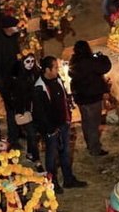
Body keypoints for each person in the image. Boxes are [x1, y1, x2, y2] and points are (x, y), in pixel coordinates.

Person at [32, 55, 86, 192]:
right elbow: (40, 113)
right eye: (55, 67)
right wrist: (50, 129)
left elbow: (63, 97)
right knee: (51, 155)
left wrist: (67, 115)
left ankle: (68, 178)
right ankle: (53, 182)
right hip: (51, 128)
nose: (58, 70)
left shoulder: (57, 80)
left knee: (66, 152)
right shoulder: (39, 87)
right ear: (47, 70)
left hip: (63, 123)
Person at [68, 40, 111, 158]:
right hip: (92, 98)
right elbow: (105, 66)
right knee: (93, 124)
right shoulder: (90, 62)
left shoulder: (74, 62)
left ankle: (90, 145)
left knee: (86, 122)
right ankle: (95, 149)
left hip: (81, 98)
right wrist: (102, 56)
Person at [0, 16, 21, 150]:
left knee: (19, 107)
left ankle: (20, 131)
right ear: (7, 28)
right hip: (5, 80)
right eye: (14, 26)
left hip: (15, 77)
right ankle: (13, 138)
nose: (17, 28)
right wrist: (1, 83)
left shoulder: (14, 38)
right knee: (11, 109)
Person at [10, 52, 41, 167]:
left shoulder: (36, 74)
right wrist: (19, 112)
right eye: (28, 61)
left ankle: (30, 153)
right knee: (32, 134)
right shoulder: (19, 78)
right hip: (25, 110)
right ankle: (36, 158)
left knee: (33, 134)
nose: (30, 64)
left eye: (32, 61)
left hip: (36, 109)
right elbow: (18, 97)